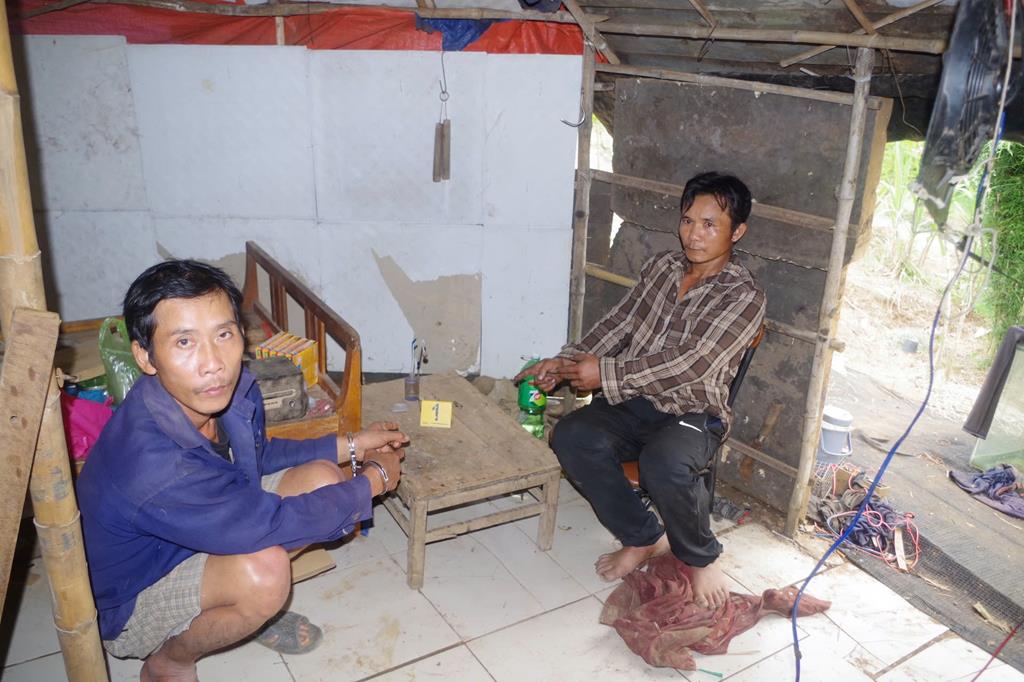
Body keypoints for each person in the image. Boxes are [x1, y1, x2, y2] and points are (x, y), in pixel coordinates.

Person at [77, 260, 408, 682]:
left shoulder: (222, 393)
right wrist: (375, 480)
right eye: (184, 342)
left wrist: (352, 444)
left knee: (323, 477)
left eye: (224, 334)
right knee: (266, 573)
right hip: (136, 593)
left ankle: (238, 610)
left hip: (197, 528)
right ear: (145, 356)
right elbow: (272, 523)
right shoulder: (154, 464)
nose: (213, 363)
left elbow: (258, 454)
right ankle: (171, 660)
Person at [515, 171, 765, 610]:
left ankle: (702, 556)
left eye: (710, 224)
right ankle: (644, 536)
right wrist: (566, 362)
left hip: (693, 411)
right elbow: (620, 323)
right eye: (688, 221)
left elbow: (693, 362)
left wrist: (605, 374)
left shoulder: (743, 296)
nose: (694, 234)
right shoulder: (662, 268)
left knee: (663, 463)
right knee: (571, 436)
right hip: (635, 400)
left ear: (737, 231)